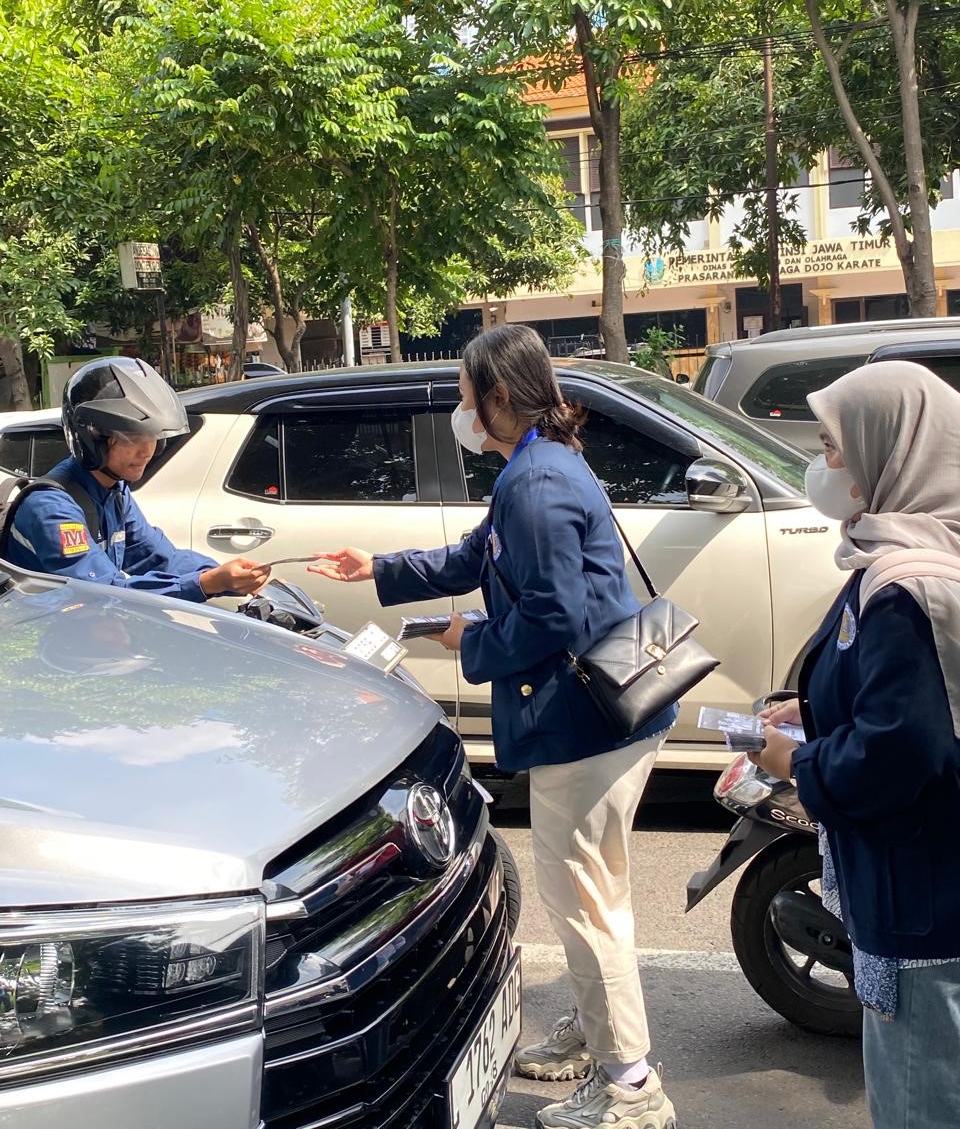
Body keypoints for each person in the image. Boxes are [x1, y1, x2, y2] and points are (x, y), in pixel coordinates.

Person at [309, 325, 678, 1129]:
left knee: (585, 901)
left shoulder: (536, 481)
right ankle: (598, 1031)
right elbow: (481, 555)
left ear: (498, 397)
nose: (461, 410)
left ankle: (631, 1086)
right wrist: (378, 569)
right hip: (606, 714)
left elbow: (554, 614)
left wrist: (470, 640)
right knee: (596, 892)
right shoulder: (538, 464)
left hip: (586, 724)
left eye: (464, 395)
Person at [753, 361, 960, 1129]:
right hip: (918, 885)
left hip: (924, 902)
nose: (824, 466)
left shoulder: (909, 585)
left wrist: (797, 762)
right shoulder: (898, 552)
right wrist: (810, 708)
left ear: (891, 447)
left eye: (833, 446)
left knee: (919, 1103)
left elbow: (901, 749)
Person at [1, 357, 269, 603]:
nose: (147, 451)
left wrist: (227, 576)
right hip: (47, 633)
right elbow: (102, 591)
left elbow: (158, 557)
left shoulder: (114, 491)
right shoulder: (52, 508)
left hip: (91, 629)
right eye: (132, 438)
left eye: (152, 436)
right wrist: (205, 583)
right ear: (92, 437)